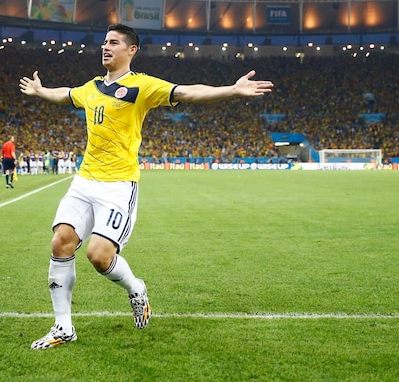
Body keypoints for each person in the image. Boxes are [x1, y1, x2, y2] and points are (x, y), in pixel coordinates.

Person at [18, 23, 274, 350]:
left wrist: (231, 89)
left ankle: (136, 288)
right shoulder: (91, 87)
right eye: (104, 42)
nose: (105, 47)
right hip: (83, 181)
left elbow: (187, 91)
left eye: (113, 42)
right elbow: (64, 94)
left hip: (118, 185)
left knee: (98, 256)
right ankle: (63, 327)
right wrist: (41, 91)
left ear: (131, 50)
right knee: (60, 243)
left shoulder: (141, 86)